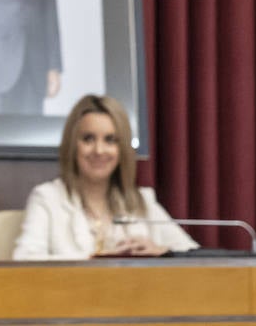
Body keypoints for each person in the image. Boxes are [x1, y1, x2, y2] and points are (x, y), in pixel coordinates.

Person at [13, 94, 196, 259]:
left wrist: (163, 252)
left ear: (122, 149)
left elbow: (193, 255)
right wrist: (93, 260)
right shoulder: (47, 198)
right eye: (88, 139)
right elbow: (24, 259)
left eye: (110, 140)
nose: (99, 151)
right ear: (72, 145)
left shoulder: (142, 201)